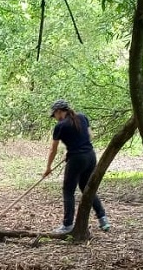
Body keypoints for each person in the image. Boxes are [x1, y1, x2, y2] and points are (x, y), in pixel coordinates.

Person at [42, 99, 111, 235]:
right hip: (90, 157)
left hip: (76, 159)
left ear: (59, 112)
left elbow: (53, 150)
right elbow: (90, 136)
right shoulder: (82, 117)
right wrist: (77, 147)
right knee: (86, 188)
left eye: (54, 115)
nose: (55, 118)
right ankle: (103, 219)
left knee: (68, 191)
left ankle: (67, 225)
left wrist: (48, 168)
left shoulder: (60, 126)